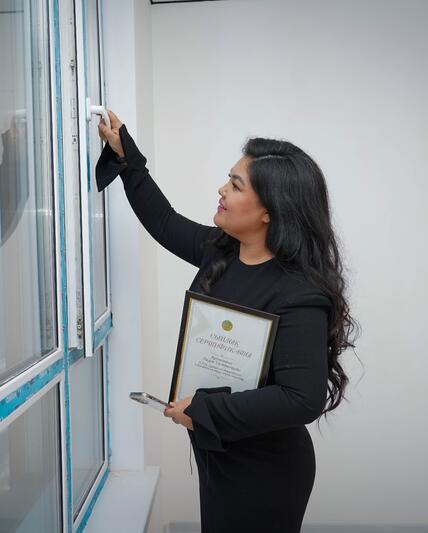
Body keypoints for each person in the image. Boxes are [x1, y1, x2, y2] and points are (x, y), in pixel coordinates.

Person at [96, 110, 358, 533]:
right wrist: (127, 157)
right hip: (219, 453)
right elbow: (163, 221)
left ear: (269, 211)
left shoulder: (299, 292)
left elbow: (302, 399)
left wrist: (204, 410)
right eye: (228, 180)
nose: (222, 189)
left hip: (266, 471)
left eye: (236, 185)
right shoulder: (220, 249)